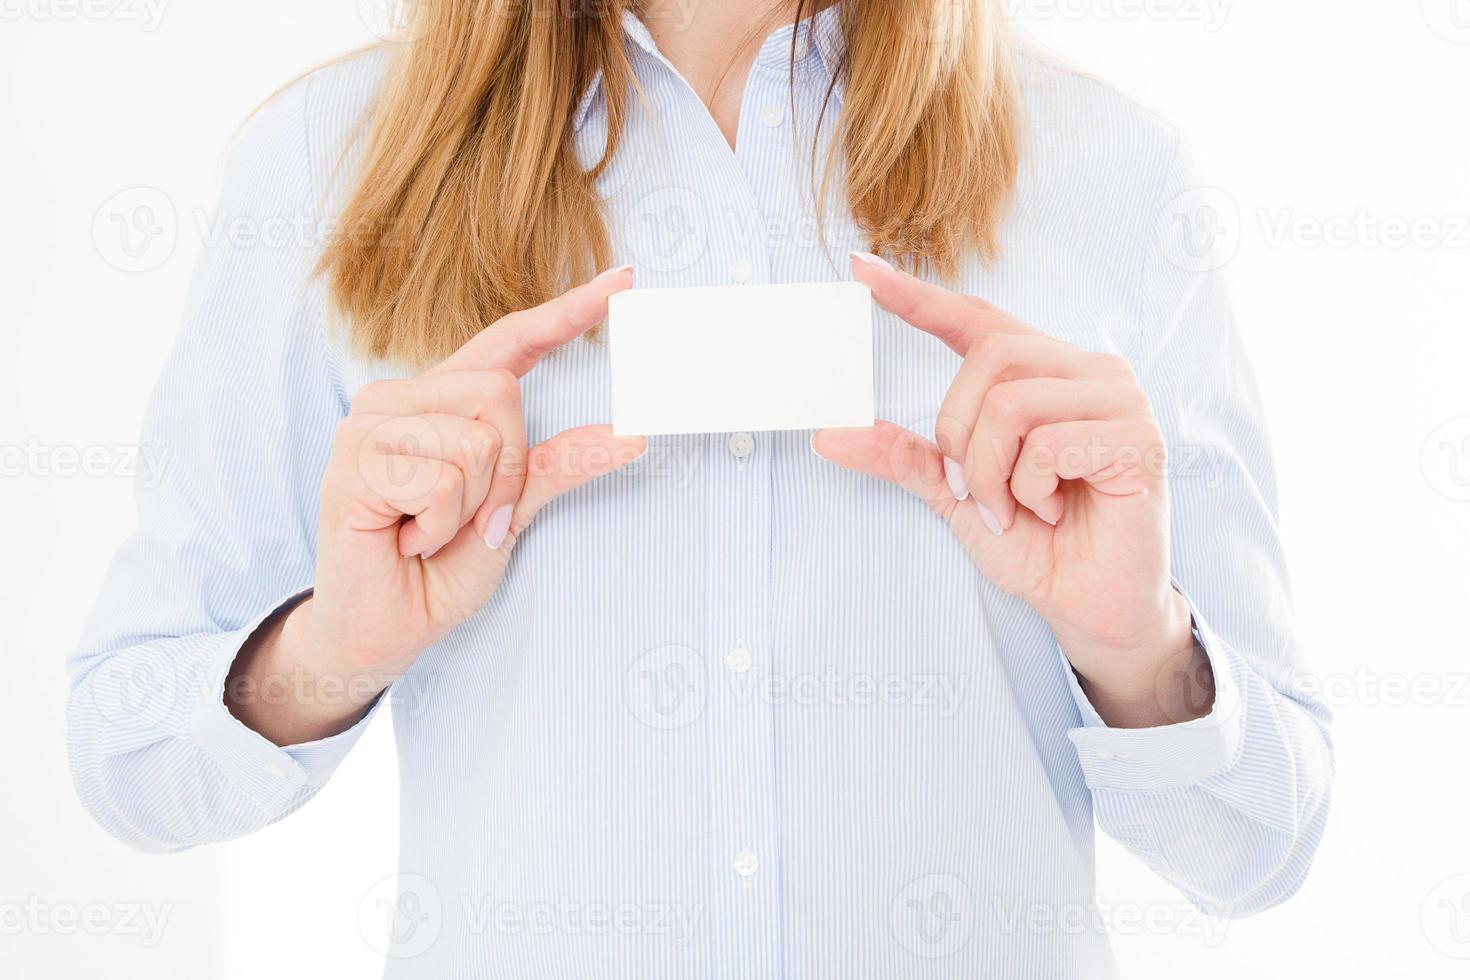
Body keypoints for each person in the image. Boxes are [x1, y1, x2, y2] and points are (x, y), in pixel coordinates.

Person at [67, 1, 1334, 975]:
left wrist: (1139, 650)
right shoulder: (324, 164)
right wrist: (330, 650)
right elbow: (128, 755)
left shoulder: (1111, 170)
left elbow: (1264, 842)